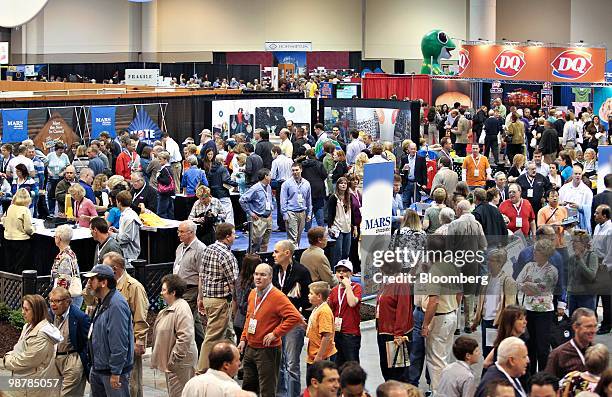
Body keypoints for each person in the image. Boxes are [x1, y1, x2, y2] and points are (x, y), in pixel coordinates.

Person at [238, 263, 304, 397]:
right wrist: (243, 338)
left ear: (270, 278)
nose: (258, 278)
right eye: (256, 274)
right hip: (250, 347)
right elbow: (250, 317)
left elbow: (295, 317)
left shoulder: (277, 296)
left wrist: (276, 333)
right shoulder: (253, 293)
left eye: (263, 275)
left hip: (267, 350)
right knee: (247, 387)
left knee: (267, 389)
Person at [101, 252, 149, 397]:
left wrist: (139, 340)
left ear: (115, 269)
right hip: (111, 344)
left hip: (129, 344)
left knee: (131, 384)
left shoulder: (134, 287)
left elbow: (140, 315)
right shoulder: (107, 287)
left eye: (105, 268)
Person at [83, 264, 133, 397]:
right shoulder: (102, 301)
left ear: (103, 283)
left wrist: (116, 372)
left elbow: (119, 341)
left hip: (111, 372)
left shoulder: (116, 305)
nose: (88, 283)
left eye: (92, 280)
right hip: (99, 367)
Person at [1, 294, 63, 397]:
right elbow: (18, 349)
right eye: (22, 308)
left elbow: (27, 360)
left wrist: (7, 360)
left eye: (26, 310)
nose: (22, 312)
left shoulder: (42, 335)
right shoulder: (28, 326)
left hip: (34, 386)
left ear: (36, 311)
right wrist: (11, 354)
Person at [196, 223, 239, 372]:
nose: (235, 237)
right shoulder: (227, 255)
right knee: (212, 337)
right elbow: (233, 281)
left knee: (228, 335)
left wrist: (200, 297)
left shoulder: (208, 249)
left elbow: (201, 275)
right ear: (227, 237)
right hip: (220, 301)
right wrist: (237, 302)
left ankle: (230, 367)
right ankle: (201, 371)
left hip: (208, 299)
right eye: (233, 234)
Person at [272, 239, 312, 397]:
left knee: (292, 363)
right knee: (278, 362)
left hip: (294, 323)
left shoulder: (301, 271)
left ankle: (293, 395)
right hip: (275, 322)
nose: (273, 255)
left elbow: (309, 298)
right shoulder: (273, 270)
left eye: (276, 252)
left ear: (287, 253)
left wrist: (304, 319)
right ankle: (280, 394)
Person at [151, 274, 198, 397]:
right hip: (175, 365)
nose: (161, 293)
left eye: (164, 290)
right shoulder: (172, 308)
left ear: (173, 292)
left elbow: (185, 337)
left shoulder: (181, 309)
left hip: (180, 364)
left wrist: (174, 360)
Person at [517, 238, 558, 373]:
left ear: (545, 253)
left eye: (537, 251)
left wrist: (528, 284)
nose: (534, 253)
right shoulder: (529, 266)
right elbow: (517, 282)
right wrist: (531, 286)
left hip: (544, 312)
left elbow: (544, 288)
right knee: (530, 345)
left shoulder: (552, 270)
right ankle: (530, 376)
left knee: (542, 347)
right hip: (528, 309)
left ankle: (543, 376)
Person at [472, 249, 517, 358]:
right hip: (485, 321)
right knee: (486, 352)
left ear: (500, 263)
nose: (488, 263)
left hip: (497, 322)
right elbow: (481, 302)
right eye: (488, 260)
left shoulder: (508, 281)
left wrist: (506, 325)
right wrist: (476, 321)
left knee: (496, 353)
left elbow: (509, 307)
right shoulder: (486, 279)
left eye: (491, 260)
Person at [48, 287, 91, 396]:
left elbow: (87, 342)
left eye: (57, 301)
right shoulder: (50, 314)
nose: (53, 304)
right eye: (51, 301)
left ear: (68, 302)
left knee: (67, 394)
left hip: (72, 359)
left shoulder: (80, 317)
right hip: (55, 358)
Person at [376, 260, 412, 382]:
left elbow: (403, 309)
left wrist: (398, 333)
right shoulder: (385, 280)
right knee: (386, 367)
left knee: (397, 371)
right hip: (383, 331)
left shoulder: (401, 282)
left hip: (394, 334)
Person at [173, 220, 206, 352]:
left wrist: (200, 296)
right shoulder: (180, 247)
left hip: (191, 290)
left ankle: (187, 350)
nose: (178, 234)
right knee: (193, 321)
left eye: (181, 232)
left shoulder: (201, 249)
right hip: (178, 289)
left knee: (183, 320)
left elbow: (202, 275)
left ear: (191, 232)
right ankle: (203, 348)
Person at [545, 308, 598, 379]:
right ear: (575, 327)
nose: (593, 331)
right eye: (588, 326)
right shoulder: (558, 355)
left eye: (595, 326)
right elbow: (547, 385)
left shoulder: (598, 352)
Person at [328, 259, 362, 368]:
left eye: (345, 271)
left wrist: (347, 286)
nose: (341, 273)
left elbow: (352, 303)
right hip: (336, 333)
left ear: (351, 273)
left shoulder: (356, 287)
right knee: (337, 367)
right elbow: (330, 311)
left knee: (352, 367)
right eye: (339, 271)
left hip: (350, 334)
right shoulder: (334, 290)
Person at [240, 168, 274, 253]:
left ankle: (262, 262)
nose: (271, 177)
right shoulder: (255, 188)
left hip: (268, 218)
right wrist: (251, 213)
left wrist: (271, 210)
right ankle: (249, 261)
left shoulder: (269, 187)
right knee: (255, 244)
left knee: (265, 244)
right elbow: (242, 200)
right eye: (270, 175)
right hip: (258, 219)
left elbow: (269, 200)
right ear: (266, 176)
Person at [50, 224, 83, 309]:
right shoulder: (70, 253)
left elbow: (63, 283)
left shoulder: (65, 258)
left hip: (67, 301)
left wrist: (56, 300)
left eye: (55, 236)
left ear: (59, 239)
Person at [2, 188, 34, 274]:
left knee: (10, 265)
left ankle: (9, 285)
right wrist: (33, 230)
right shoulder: (25, 210)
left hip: (7, 239)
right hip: (21, 242)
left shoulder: (10, 207)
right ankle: (20, 286)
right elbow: (28, 228)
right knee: (20, 266)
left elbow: (3, 221)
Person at [280, 162, 312, 247]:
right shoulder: (286, 184)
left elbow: (309, 200)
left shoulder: (306, 183)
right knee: (292, 238)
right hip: (291, 212)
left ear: (301, 170)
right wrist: (285, 214)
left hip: (302, 213)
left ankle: (294, 255)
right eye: (293, 170)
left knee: (298, 237)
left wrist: (309, 213)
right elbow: (283, 200)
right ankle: (293, 258)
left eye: (297, 170)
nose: (295, 172)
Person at [567, 230, 599, 314]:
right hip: (573, 295)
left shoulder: (592, 256)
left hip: (586, 296)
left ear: (584, 243)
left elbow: (591, 275)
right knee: (574, 322)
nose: (573, 244)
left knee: (586, 320)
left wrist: (580, 259)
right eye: (572, 241)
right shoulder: (572, 258)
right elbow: (570, 277)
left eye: (575, 241)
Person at [306, 281, 337, 366]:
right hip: (313, 354)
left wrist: (319, 356)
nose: (308, 295)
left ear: (319, 296)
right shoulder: (317, 308)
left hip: (321, 356)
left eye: (311, 293)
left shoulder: (324, 311)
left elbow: (326, 335)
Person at [593, 204, 612, 335]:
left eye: (597, 213)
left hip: (606, 267)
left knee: (606, 298)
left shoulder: (610, 230)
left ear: (604, 216)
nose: (594, 215)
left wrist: (604, 267)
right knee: (595, 296)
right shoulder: (597, 227)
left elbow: (610, 252)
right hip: (596, 264)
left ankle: (607, 325)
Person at [233, 253, 261, 343]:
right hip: (250, 322)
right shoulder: (256, 284)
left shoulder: (238, 280)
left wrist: (234, 317)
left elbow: (234, 301)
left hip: (238, 320)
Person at [559, 164, 593, 232]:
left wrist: (579, 206)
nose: (577, 176)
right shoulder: (564, 188)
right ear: (572, 174)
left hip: (580, 222)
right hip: (566, 220)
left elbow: (590, 207)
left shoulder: (587, 191)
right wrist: (562, 204)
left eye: (579, 174)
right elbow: (558, 203)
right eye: (576, 174)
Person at [328, 177, 353, 267]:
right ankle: (335, 272)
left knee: (346, 252)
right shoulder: (333, 198)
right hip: (337, 228)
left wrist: (354, 226)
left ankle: (344, 271)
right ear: (338, 185)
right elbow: (330, 213)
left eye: (345, 183)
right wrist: (330, 227)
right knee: (338, 253)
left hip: (348, 228)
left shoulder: (349, 197)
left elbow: (352, 213)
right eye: (341, 183)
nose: (343, 185)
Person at [110, 190, 142, 262]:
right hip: (125, 253)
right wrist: (117, 231)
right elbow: (126, 232)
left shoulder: (130, 217)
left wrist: (112, 235)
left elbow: (127, 237)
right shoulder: (124, 214)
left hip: (130, 255)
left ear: (119, 202)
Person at [399, 142, 427, 208]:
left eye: (414, 149)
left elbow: (424, 172)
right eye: (411, 149)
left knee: (417, 203)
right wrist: (403, 169)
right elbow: (400, 172)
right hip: (407, 183)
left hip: (417, 184)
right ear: (408, 149)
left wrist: (424, 184)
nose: (413, 151)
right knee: (405, 202)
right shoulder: (404, 158)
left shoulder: (421, 158)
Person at [47, 143, 71, 214]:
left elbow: (68, 166)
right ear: (56, 150)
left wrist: (63, 172)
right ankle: (51, 211)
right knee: (51, 195)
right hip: (51, 178)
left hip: (61, 178)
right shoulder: (50, 155)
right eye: (60, 150)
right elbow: (46, 165)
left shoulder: (65, 156)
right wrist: (49, 172)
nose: (61, 152)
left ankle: (61, 212)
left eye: (62, 150)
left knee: (60, 195)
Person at [156, 150, 175, 219]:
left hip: (164, 193)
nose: (158, 161)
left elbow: (167, 181)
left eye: (160, 159)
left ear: (165, 159)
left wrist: (158, 177)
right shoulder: (168, 168)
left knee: (161, 212)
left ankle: (164, 228)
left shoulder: (165, 169)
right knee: (169, 211)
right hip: (169, 193)